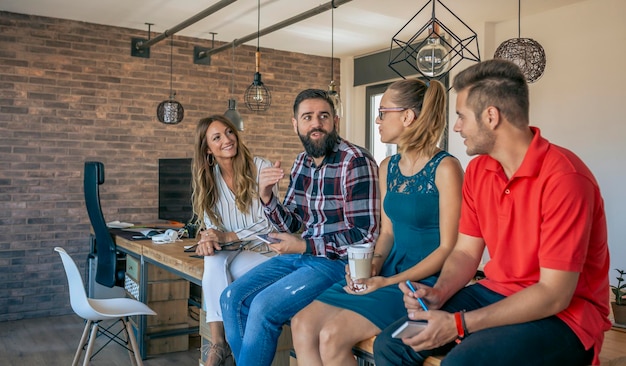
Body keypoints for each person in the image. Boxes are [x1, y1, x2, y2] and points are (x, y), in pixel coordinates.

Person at [373, 59, 611, 366]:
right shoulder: (478, 170)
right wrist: (439, 292)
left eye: (461, 117)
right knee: (391, 345)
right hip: (495, 291)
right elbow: (465, 252)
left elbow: (554, 294)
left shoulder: (565, 179)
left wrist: (459, 324)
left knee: (462, 362)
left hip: (565, 316)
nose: (456, 126)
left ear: (491, 116)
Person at [290, 78, 463, 366]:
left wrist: (387, 281)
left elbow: (449, 248)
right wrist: (371, 265)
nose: (377, 119)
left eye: (383, 112)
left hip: (425, 280)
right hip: (388, 270)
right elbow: (387, 233)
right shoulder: (388, 167)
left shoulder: (446, 168)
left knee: (332, 336)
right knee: (302, 324)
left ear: (407, 117)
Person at [220, 89, 381, 366]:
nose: (316, 123)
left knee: (262, 307)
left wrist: (306, 245)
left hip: (336, 263)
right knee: (231, 297)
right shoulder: (301, 161)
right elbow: (293, 222)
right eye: (308, 117)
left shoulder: (355, 161)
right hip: (300, 257)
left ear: (335, 121)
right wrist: (268, 197)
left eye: (323, 116)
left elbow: (364, 234)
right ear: (296, 124)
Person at [191, 115, 279, 366]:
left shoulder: (260, 167)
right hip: (233, 254)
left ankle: (220, 346)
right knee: (213, 260)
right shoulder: (209, 178)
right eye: (217, 137)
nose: (227, 139)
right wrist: (207, 238)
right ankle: (223, 345)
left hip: (267, 254)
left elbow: (270, 223)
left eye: (229, 132)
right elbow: (211, 225)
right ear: (208, 149)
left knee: (216, 272)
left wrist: (227, 236)